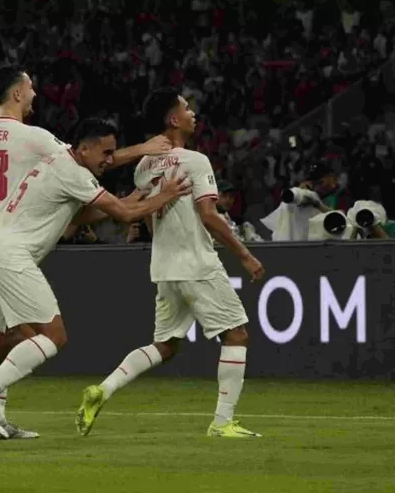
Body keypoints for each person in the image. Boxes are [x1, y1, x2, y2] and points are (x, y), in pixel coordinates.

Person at [0, 67, 171, 442]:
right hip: (6, 242)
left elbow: (75, 185)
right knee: (43, 335)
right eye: (30, 88)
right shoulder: (36, 139)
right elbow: (91, 158)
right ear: (16, 94)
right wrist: (143, 152)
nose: (35, 94)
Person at [0, 117, 190, 438]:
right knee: (54, 336)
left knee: (18, 336)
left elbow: (83, 214)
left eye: (112, 152)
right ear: (83, 148)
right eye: (105, 152)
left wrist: (137, 194)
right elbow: (123, 215)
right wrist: (166, 194)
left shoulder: (59, 163)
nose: (109, 159)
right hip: (10, 254)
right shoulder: (74, 173)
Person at [76, 88, 265, 439]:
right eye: (187, 108)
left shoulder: (144, 167)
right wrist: (245, 255)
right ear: (173, 119)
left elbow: (147, 217)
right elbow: (209, 214)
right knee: (236, 334)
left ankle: (104, 389)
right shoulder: (195, 161)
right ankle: (223, 423)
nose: (194, 113)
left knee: (165, 345)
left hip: (164, 266)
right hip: (197, 263)